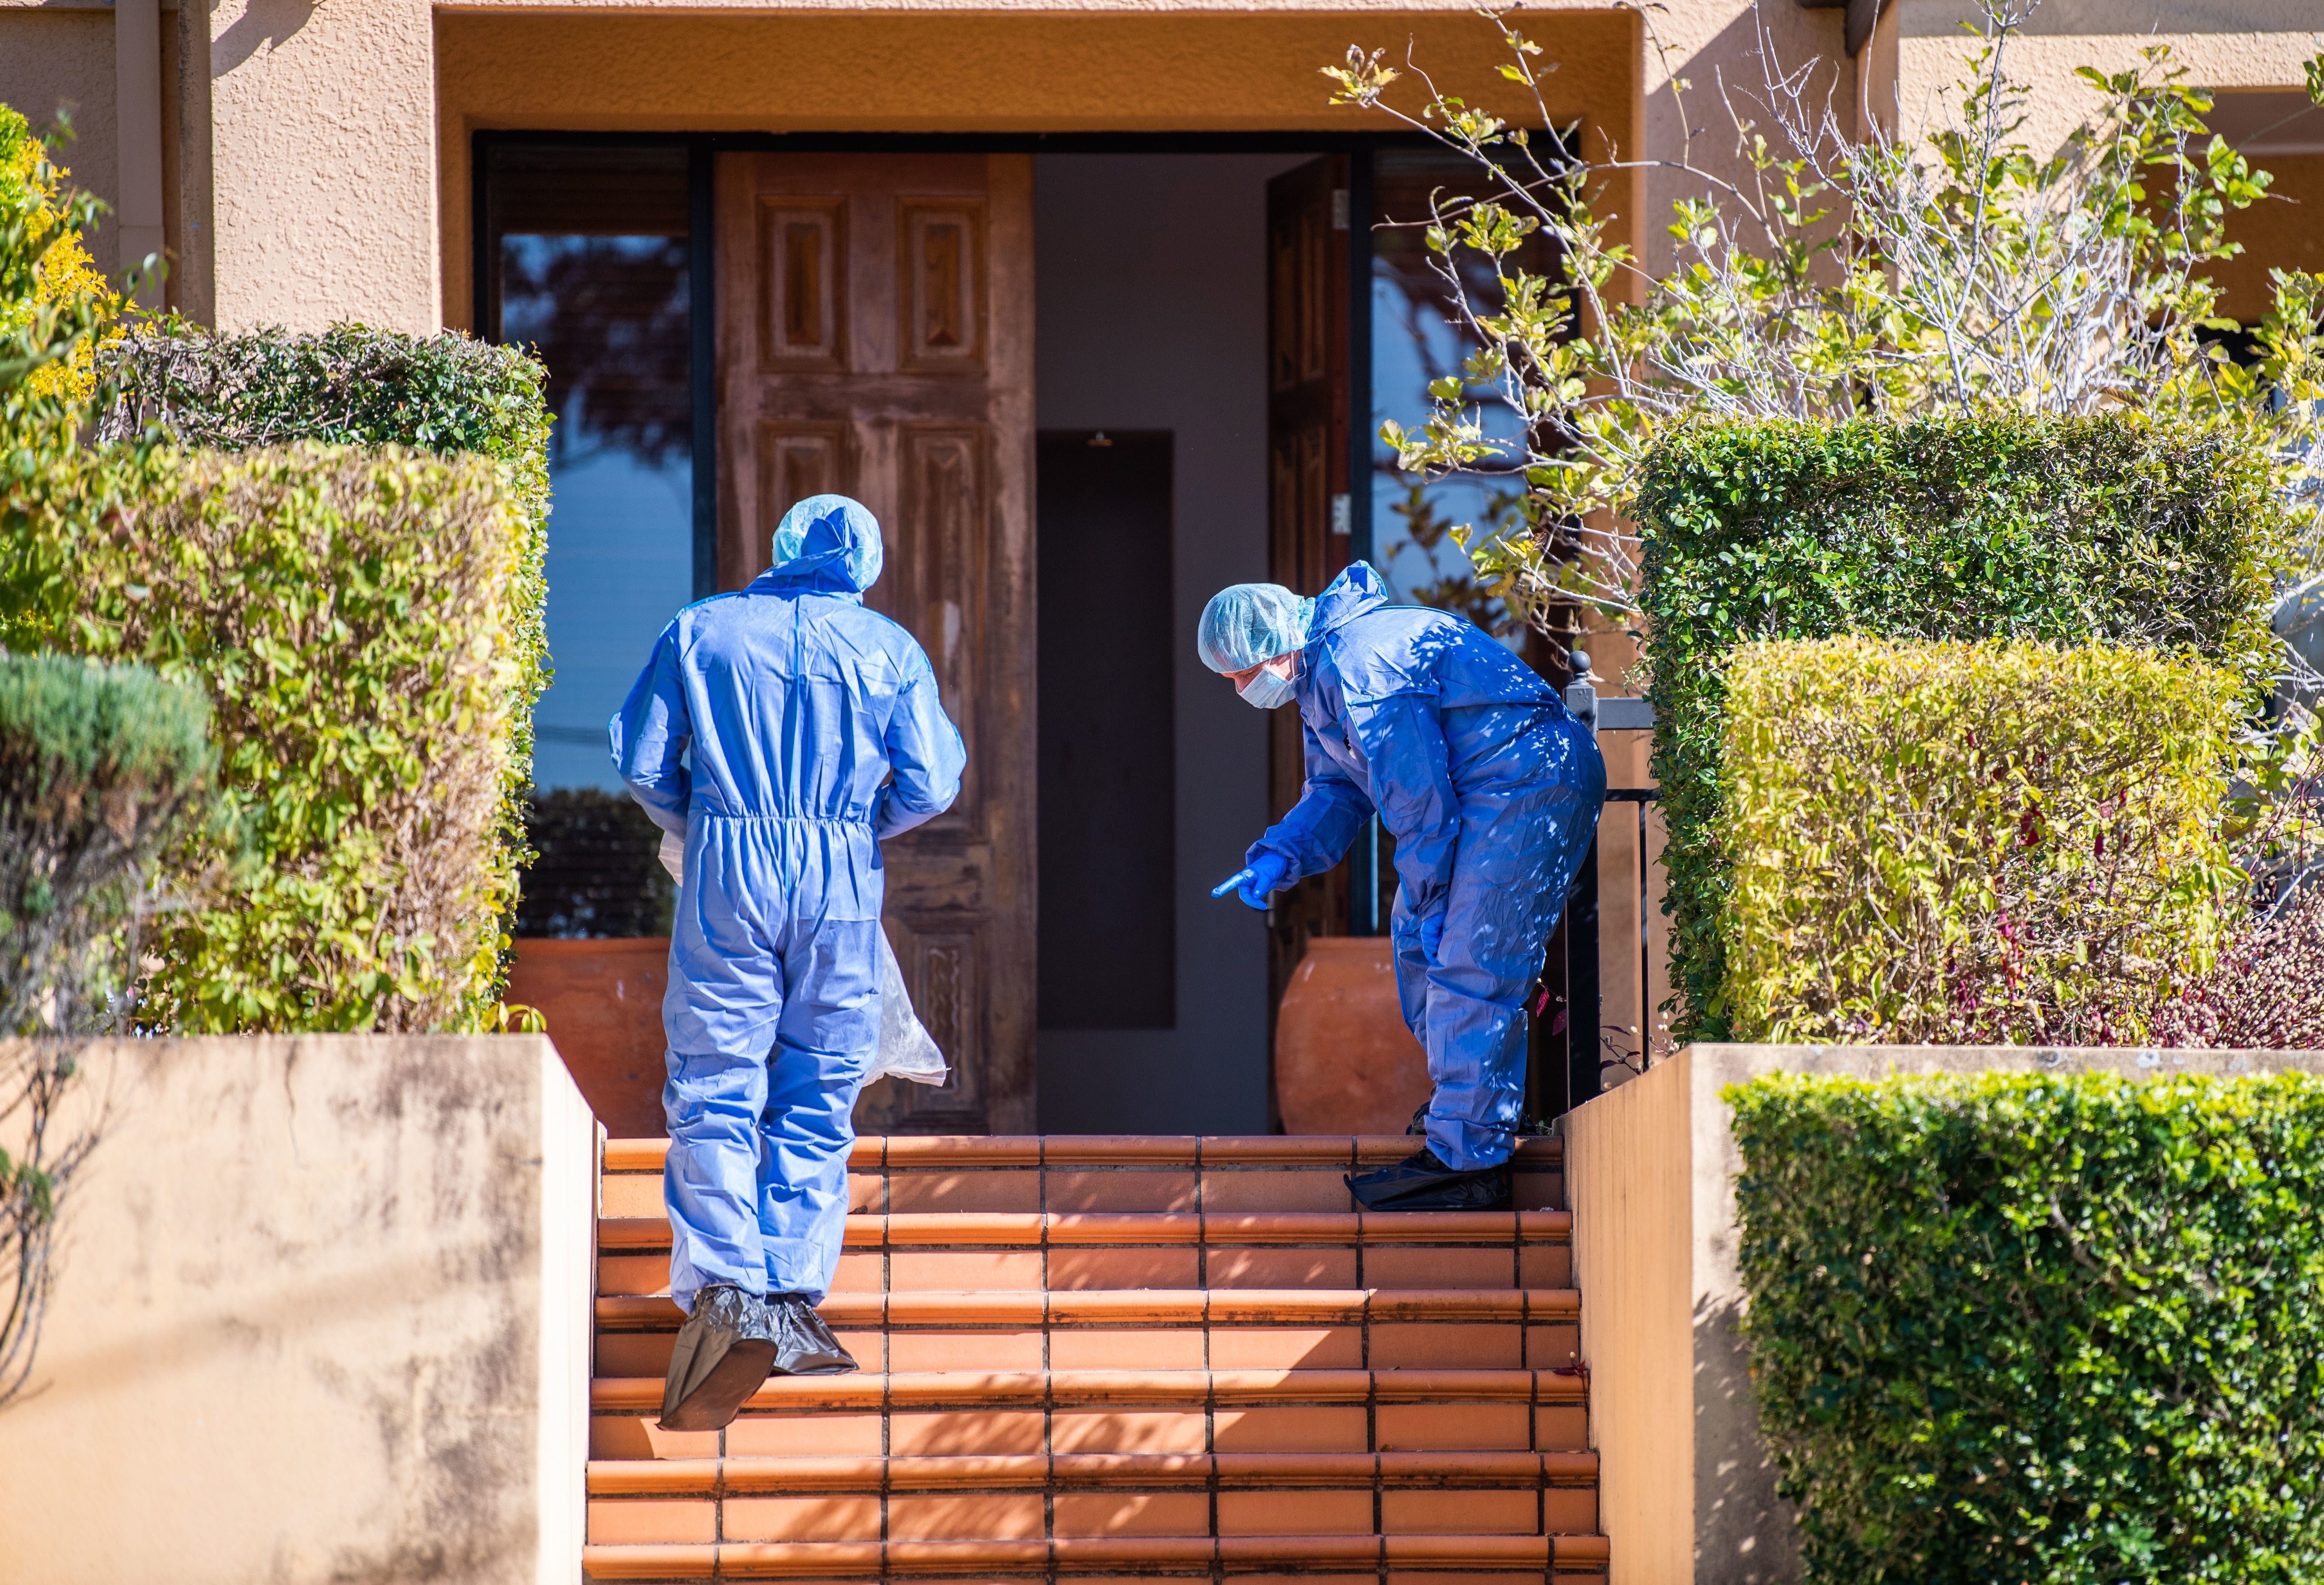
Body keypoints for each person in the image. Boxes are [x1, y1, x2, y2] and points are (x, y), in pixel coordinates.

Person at [611, 493, 966, 1432]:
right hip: (840, 873)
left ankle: (731, 1289)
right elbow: (932, 780)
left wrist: (714, 822)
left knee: (719, 1071)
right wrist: (849, 826)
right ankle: (795, 1293)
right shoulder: (889, 648)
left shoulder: (702, 630)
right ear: (865, 559)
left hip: (731, 861)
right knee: (820, 1082)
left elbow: (644, 762)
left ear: (780, 547)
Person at [1201, 561, 1605, 1210]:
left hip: (1525, 783)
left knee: (1465, 959)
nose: (1241, 689)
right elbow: (1338, 788)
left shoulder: (1361, 665)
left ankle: (1469, 1160)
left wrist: (1437, 898)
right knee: (1418, 948)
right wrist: (1279, 854)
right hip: (1481, 794)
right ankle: (1469, 1116)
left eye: (1241, 675)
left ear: (1273, 648)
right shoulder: (1319, 675)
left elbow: (1418, 803)